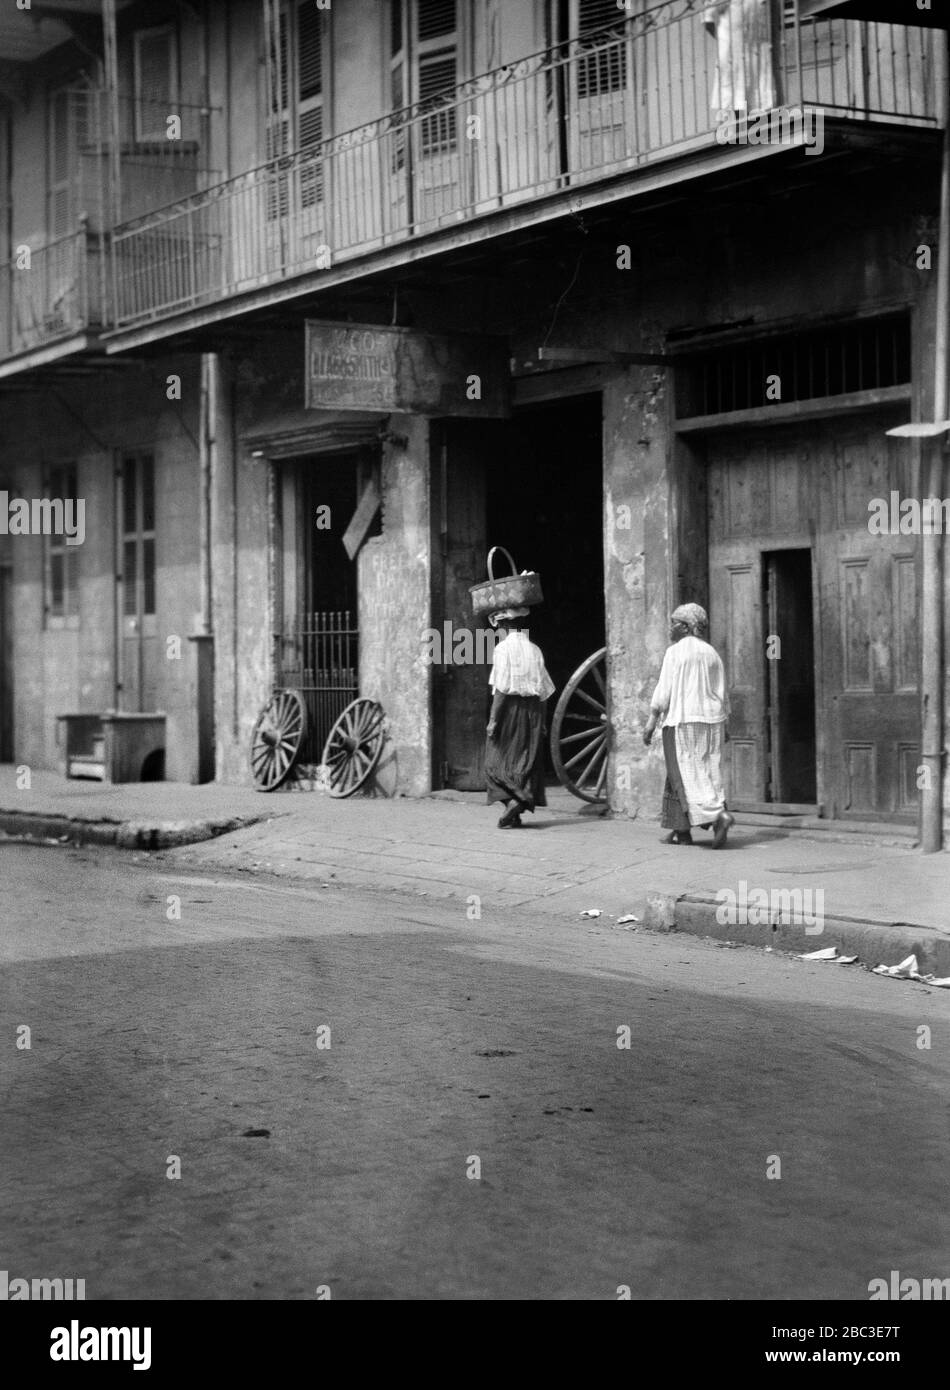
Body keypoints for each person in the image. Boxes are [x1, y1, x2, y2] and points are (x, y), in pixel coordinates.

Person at [642, 603, 734, 848]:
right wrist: (727, 722)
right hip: (712, 721)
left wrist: (651, 721)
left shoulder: (675, 652)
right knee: (707, 771)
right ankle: (681, 830)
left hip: (682, 720)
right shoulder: (711, 652)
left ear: (685, 627)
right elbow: (722, 692)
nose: (670, 628)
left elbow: (664, 690)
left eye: (674, 623)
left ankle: (717, 816)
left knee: (683, 774)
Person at [485, 607, 555, 829]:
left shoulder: (502, 649)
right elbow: (545, 690)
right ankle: (514, 813)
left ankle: (514, 801)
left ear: (504, 626)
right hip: (533, 711)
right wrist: (542, 721)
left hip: (511, 710)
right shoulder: (535, 649)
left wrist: (493, 720)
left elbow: (502, 688)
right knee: (524, 761)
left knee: (494, 764)